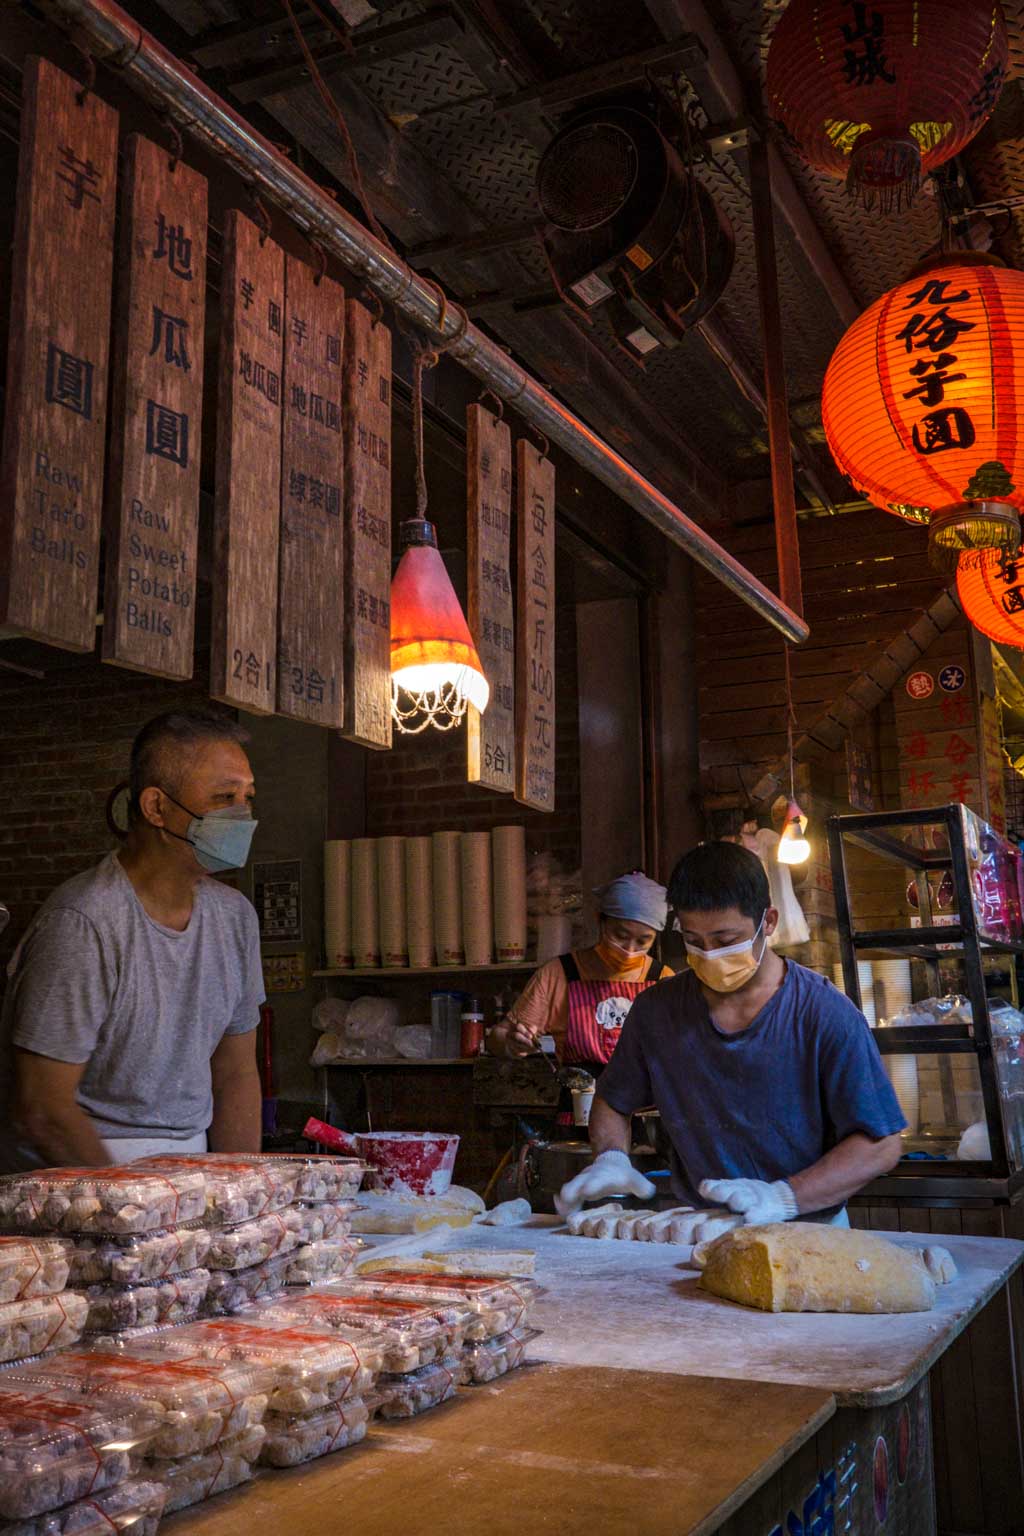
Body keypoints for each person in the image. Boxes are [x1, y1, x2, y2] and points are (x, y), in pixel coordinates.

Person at [556, 841, 905, 1231]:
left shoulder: (824, 1013)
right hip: (700, 1230)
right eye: (694, 941)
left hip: (809, 1229)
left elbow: (881, 1144)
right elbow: (612, 1100)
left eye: (725, 941)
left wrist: (783, 1197)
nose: (709, 955)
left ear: (768, 922)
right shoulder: (656, 1012)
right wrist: (611, 1158)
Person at [0, 710, 265, 1170]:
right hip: (75, 1176)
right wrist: (128, 1200)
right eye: (224, 797)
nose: (241, 815)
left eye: (248, 798)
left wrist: (241, 1186)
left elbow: (236, 1074)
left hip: (190, 1170)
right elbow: (43, 1107)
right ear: (156, 807)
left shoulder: (235, 918)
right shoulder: (83, 921)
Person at [489, 872, 673, 1084]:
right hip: (579, 1101)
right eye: (621, 936)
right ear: (600, 921)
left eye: (643, 941)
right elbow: (496, 1038)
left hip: (644, 1103)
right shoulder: (559, 973)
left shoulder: (663, 980)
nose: (629, 950)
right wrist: (512, 1044)